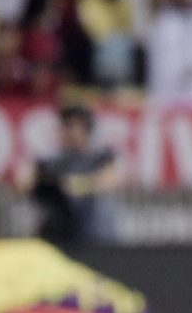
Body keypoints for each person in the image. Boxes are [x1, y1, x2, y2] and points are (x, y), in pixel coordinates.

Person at [21, 105, 121, 244]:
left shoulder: (101, 158)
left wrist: (74, 185)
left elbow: (110, 181)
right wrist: (46, 183)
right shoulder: (50, 161)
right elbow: (25, 183)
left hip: (93, 237)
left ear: (86, 129)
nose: (66, 132)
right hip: (57, 235)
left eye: (71, 127)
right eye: (63, 126)